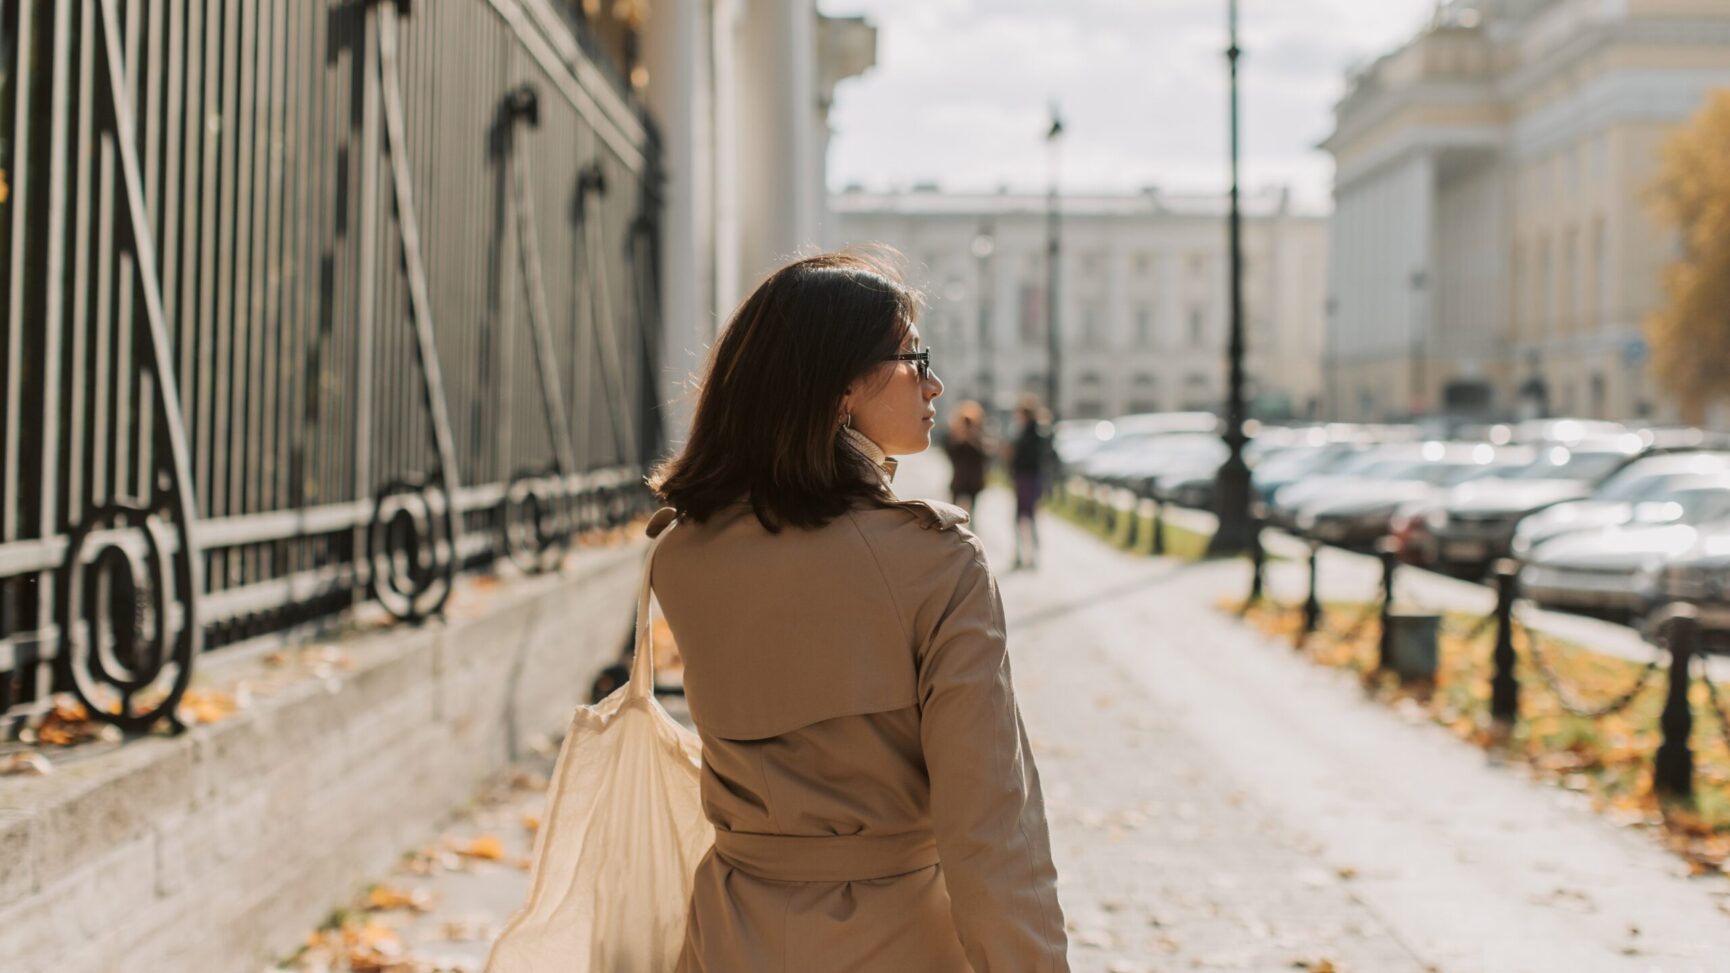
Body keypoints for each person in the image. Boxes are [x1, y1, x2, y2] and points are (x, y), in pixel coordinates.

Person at [647, 251, 1070, 972]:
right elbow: (990, 824)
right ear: (842, 384)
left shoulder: (682, 553)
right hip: (897, 938)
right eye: (914, 356)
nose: (934, 383)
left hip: (729, 933)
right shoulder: (934, 559)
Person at [1007, 397, 1052, 570]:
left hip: (1028, 478)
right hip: (1027, 478)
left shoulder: (1033, 433)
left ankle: (1028, 555)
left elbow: (1030, 457)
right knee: (1026, 518)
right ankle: (1026, 555)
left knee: (1025, 518)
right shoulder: (1029, 432)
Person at [943, 400, 990, 518]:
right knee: (953, 513)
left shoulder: (979, 437)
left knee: (972, 515)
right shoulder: (956, 438)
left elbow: (984, 456)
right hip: (959, 479)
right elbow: (950, 452)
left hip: (973, 480)